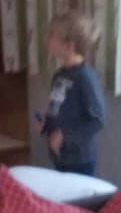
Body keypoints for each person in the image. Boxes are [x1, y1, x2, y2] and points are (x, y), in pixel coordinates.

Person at [41, 10, 107, 176]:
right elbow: (58, 109)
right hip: (61, 157)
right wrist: (46, 125)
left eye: (51, 35)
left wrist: (65, 136)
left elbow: (98, 119)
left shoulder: (85, 77)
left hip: (80, 159)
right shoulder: (59, 75)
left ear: (68, 46)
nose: (47, 39)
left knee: (78, 193)